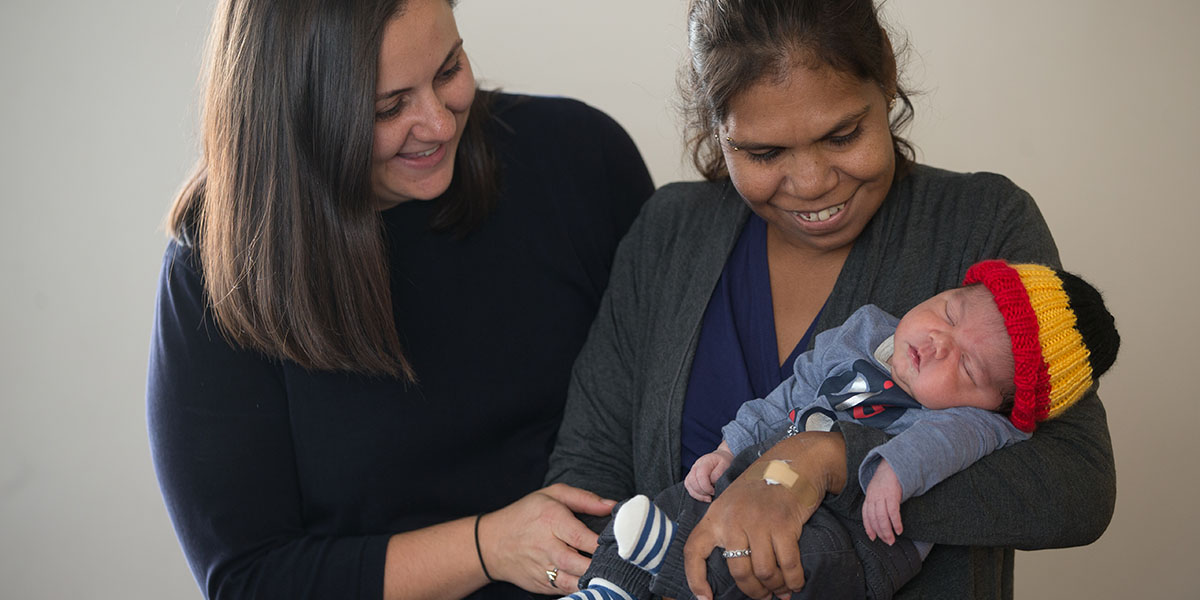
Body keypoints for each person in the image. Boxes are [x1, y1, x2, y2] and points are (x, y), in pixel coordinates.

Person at [544, 1, 1118, 599]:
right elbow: (588, 477)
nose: (813, 182)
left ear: (886, 80)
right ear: (717, 127)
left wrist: (825, 460)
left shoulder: (981, 224)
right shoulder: (669, 232)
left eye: (843, 134)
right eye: (764, 153)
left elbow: (1076, 487)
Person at [146, 0, 654, 598]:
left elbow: (676, 403)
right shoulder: (221, 274)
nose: (439, 124)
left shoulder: (578, 158)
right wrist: (489, 547)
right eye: (389, 107)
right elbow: (250, 579)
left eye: (449, 70)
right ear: (293, 114)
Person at [556, 260, 1120, 600]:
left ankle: (670, 570)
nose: (937, 343)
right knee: (677, 496)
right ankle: (609, 585)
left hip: (855, 540)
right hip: (762, 477)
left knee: (800, 557)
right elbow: (795, 390)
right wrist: (732, 443)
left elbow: (943, 442)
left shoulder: (977, 423)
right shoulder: (868, 330)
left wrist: (893, 471)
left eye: (968, 368)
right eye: (949, 312)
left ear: (998, 405)